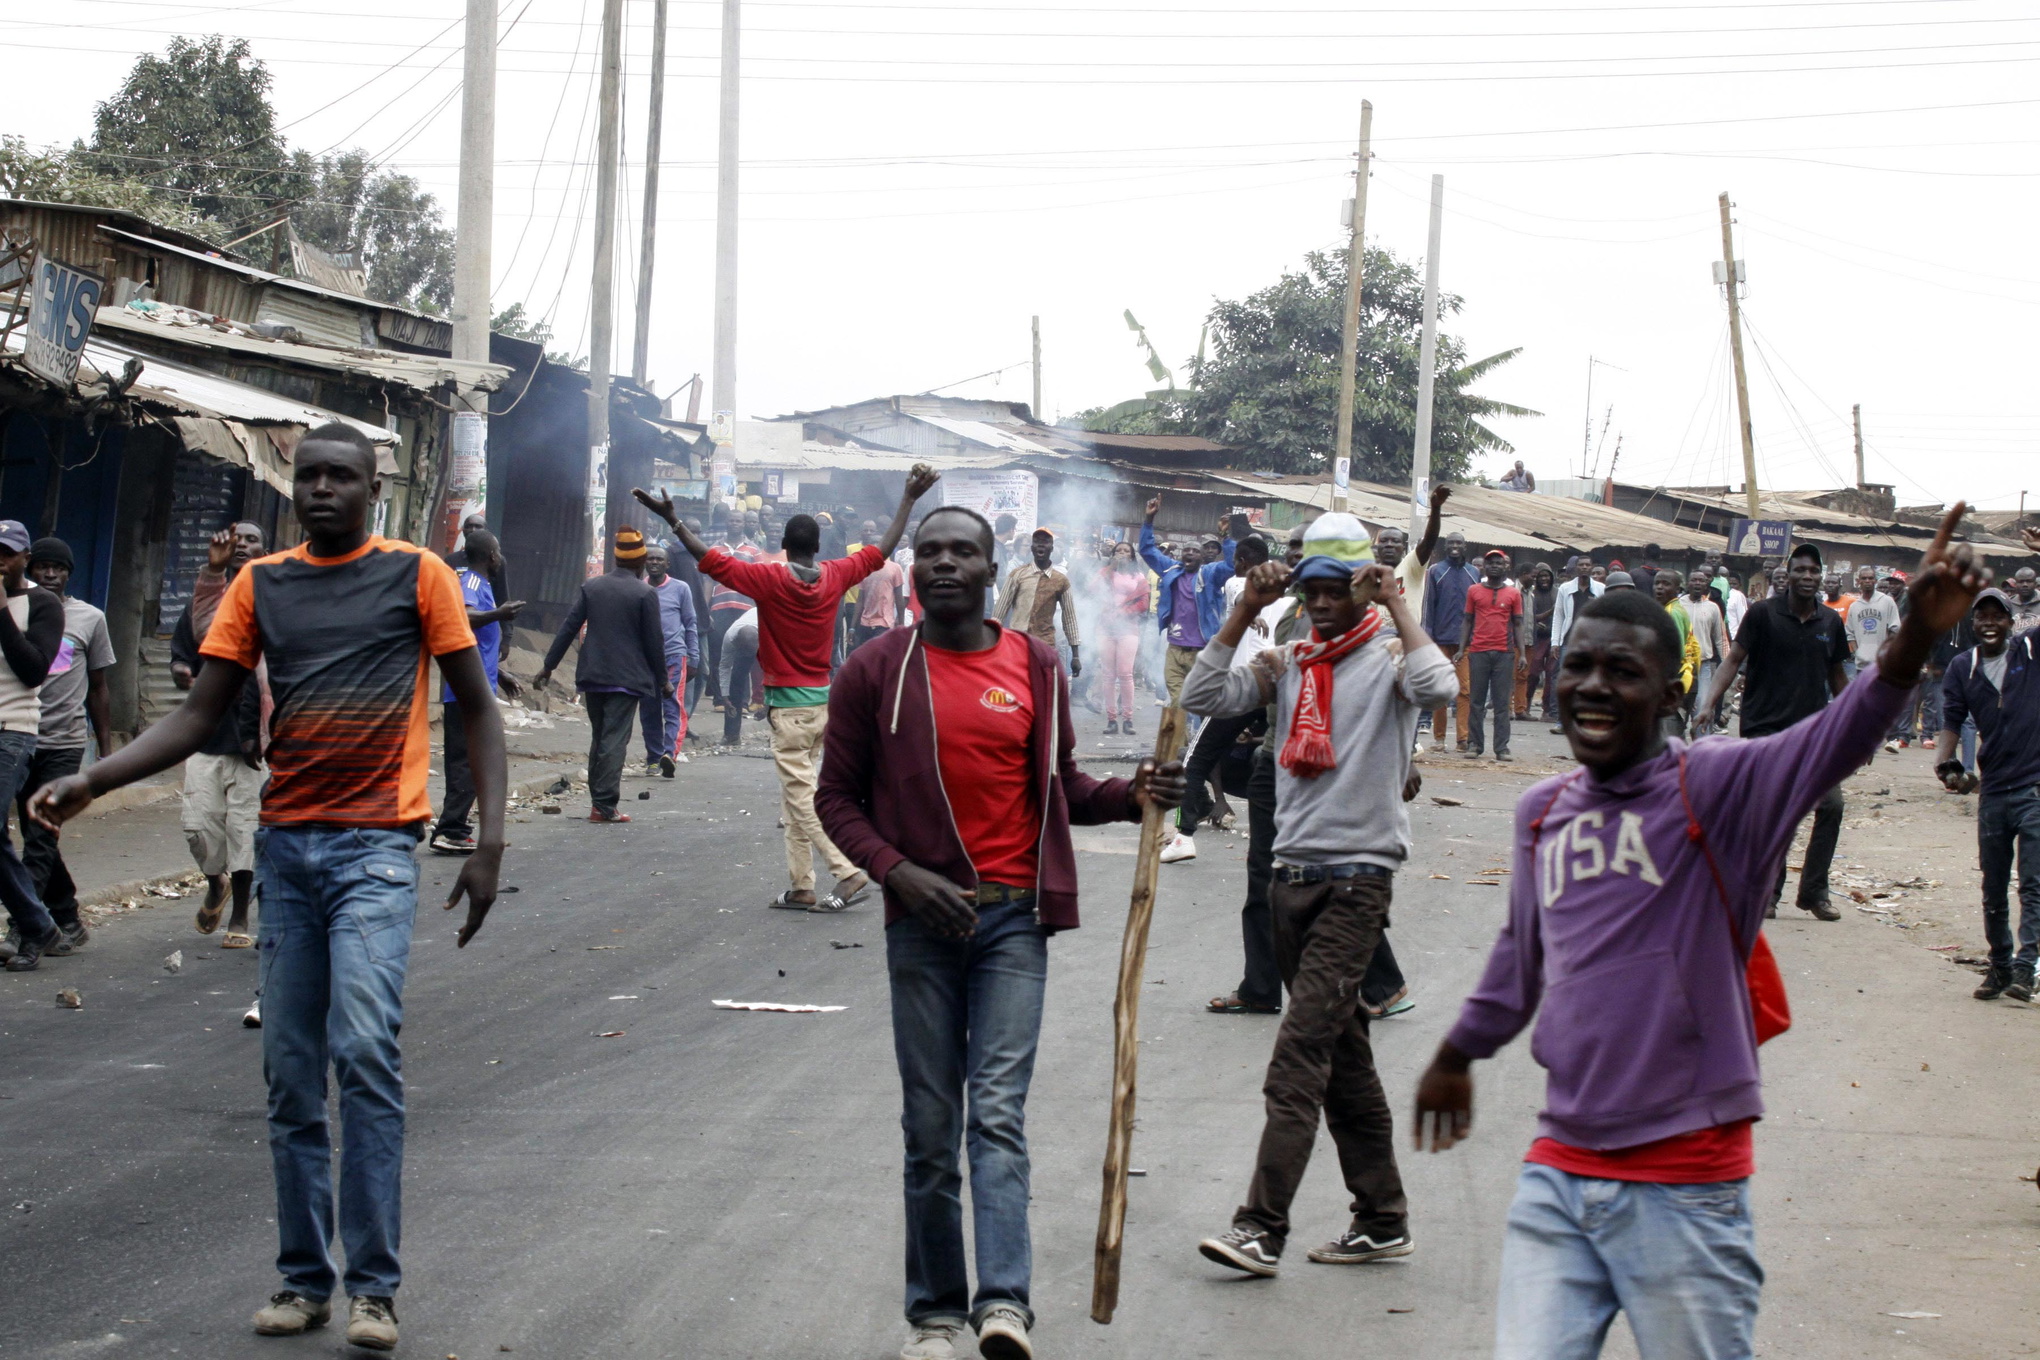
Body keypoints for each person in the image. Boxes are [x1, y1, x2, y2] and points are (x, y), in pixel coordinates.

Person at [1412, 508, 1986, 1360]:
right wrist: (1458, 1053)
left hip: (1686, 1185)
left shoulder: (1717, 788)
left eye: (1623, 671)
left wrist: (1910, 642)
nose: (1593, 686)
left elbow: (1839, 735)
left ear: (1671, 694)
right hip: (1559, 1172)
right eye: (1578, 667)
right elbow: (1520, 961)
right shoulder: (1543, 814)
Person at [31, 422, 507, 1350]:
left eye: (343, 477)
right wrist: (96, 776)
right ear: (293, 489)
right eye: (310, 476)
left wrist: (489, 842)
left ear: (374, 488)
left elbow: (477, 710)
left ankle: (374, 1288)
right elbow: (202, 713)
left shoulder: (418, 575)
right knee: (291, 1074)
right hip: (287, 852)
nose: (324, 488)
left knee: (364, 1049)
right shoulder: (261, 584)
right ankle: (304, 1283)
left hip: (375, 848)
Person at [814, 504, 1185, 1360]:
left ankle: (1005, 1306)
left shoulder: (1039, 666)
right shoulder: (875, 670)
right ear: (912, 571)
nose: (944, 564)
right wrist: (897, 872)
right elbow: (836, 799)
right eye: (930, 551)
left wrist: (1130, 796)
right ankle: (936, 1315)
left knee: (997, 1116)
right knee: (931, 1124)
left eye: (963, 552)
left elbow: (1060, 787)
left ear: (993, 569)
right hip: (920, 926)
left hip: (1014, 921)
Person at [1183, 516, 1457, 1278]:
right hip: (1291, 880)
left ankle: (1259, 1227)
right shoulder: (1291, 662)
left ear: (1363, 588)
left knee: (1298, 1056)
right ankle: (1381, 1218)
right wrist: (1243, 612)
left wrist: (1399, 602)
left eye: (1339, 590)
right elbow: (1205, 692)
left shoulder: (1392, 660)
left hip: (1357, 883)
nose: (1325, 604)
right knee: (1344, 1062)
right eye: (1313, 590)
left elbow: (1442, 686)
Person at [638, 467, 939, 911]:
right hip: (823, 706)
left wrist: (674, 521)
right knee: (794, 798)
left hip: (788, 710)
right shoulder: (836, 574)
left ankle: (848, 871)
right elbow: (882, 550)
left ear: (783, 545)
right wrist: (909, 499)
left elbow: (710, 560)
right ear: (818, 547)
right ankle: (801, 886)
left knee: (803, 799)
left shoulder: (769, 578)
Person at [1696, 542, 1850, 920]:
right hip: (1765, 730)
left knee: (1831, 806)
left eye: (1814, 571)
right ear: (1788, 575)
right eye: (1801, 570)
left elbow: (1838, 677)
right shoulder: (1763, 614)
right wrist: (1708, 702)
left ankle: (1813, 891)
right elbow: (1733, 660)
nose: (1808, 577)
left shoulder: (1830, 622)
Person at [166, 524, 268, 947]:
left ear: (265, 551)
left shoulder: (273, 603)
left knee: (244, 831)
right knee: (198, 827)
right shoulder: (207, 606)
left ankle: (241, 917)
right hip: (206, 736)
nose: (242, 545)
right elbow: (185, 650)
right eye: (237, 539)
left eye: (251, 541)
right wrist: (180, 671)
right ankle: (215, 883)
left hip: (254, 745)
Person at [1940, 589, 2040, 1002]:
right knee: (1993, 885)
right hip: (1994, 789)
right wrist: (1946, 766)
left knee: (2034, 884)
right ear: (1973, 623)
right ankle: (1999, 966)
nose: (1990, 622)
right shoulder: (1963, 667)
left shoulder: (2031, 652)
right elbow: (1951, 722)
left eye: (1998, 615)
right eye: (1982, 616)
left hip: (2035, 787)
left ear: (2010, 621)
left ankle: (2025, 968)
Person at [16, 536, 114, 950]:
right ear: (29, 569)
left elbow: (99, 687)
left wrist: (107, 750)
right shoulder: (18, 611)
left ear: (70, 573)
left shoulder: (90, 618)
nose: (51, 574)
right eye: (43, 567)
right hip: (19, 735)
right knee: (35, 833)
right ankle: (67, 917)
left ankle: (24, 930)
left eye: (59, 568)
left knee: (40, 836)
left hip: (65, 741)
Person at [535, 527, 670, 824]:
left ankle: (599, 802)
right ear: (641, 560)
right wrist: (663, 680)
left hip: (592, 675)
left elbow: (569, 627)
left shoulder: (592, 587)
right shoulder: (645, 593)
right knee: (614, 740)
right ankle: (605, 805)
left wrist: (548, 666)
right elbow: (654, 642)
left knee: (600, 737)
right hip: (627, 679)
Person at [1161, 534, 1273, 865]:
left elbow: (1241, 595)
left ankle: (1183, 836)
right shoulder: (1296, 593)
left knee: (1195, 758)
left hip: (1244, 686)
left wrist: (1249, 612)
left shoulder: (1240, 582)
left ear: (1241, 562)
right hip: (1279, 684)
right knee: (1278, 757)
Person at [0, 520, 68, 972]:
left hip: (12, 729)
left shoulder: (43, 604)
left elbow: (32, 670)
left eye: (7, 553)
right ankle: (39, 925)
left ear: (24, 559)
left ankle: (35, 925)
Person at [432, 529, 523, 855]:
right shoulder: (470, 581)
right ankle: (450, 830)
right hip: (463, 690)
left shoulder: (482, 585)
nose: (500, 557)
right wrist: (500, 613)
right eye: (497, 551)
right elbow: (463, 619)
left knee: (473, 760)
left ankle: (454, 827)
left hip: (478, 688)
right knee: (465, 762)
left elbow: (473, 643)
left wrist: (499, 674)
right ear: (491, 555)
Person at [1137, 496, 1241, 704]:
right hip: (1174, 649)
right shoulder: (1170, 569)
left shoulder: (1210, 574)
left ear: (1202, 557)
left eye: (1195, 551)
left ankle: (1196, 736)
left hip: (1201, 651)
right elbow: (1147, 550)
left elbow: (1232, 566)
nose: (1190, 553)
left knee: (1199, 704)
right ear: (1181, 555)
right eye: (1187, 550)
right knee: (1177, 704)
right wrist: (1149, 520)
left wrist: (1225, 537)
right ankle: (1182, 737)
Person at [639, 542, 700, 777]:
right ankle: (653, 759)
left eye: (659, 559)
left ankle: (669, 755)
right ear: (644, 562)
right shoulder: (639, 589)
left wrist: (694, 656)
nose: (654, 562)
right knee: (649, 710)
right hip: (644, 660)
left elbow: (690, 623)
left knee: (672, 705)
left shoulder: (680, 588)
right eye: (650, 558)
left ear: (667, 564)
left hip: (674, 656)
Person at [1462, 549, 1525, 761]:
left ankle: (1501, 748)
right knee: (1476, 702)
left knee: (1501, 703)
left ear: (1505, 566)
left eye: (1499, 563)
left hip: (1504, 653)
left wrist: (1522, 653)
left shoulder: (1513, 593)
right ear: (1485, 567)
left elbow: (1518, 623)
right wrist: (1462, 649)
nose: (1495, 566)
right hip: (1478, 651)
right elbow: (1467, 621)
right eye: (1490, 563)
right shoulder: (1473, 590)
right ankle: (1474, 745)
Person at [994, 528, 1081, 678]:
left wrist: (1075, 656)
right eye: (1037, 542)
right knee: (1018, 690)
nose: (1041, 545)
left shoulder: (1061, 580)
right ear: (1032, 548)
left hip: (1044, 646)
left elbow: (1070, 618)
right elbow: (999, 612)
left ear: (1051, 549)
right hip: (1018, 644)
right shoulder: (1017, 575)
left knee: (1042, 691)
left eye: (1045, 542)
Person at [1421, 531, 1480, 750]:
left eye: (1459, 543)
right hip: (1439, 641)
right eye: (1451, 543)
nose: (1455, 546)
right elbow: (1427, 607)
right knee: (1440, 691)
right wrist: (1427, 639)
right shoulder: (1435, 571)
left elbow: (1477, 610)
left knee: (1465, 690)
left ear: (1465, 547)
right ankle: (1439, 739)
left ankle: (1462, 739)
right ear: (1446, 547)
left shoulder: (1474, 573)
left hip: (1465, 643)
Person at [1097, 540, 1150, 736]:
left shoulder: (1139, 576)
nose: (1122, 553)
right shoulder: (1106, 573)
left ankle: (1128, 719)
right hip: (1105, 628)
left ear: (1132, 555)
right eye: (1118, 550)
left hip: (1128, 628)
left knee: (1125, 674)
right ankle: (1111, 720)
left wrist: (1123, 613)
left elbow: (1144, 603)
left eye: (1126, 551)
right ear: (1112, 554)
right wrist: (1111, 567)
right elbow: (1092, 589)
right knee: (1108, 675)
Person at [1549, 555, 1603, 734]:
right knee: (1567, 683)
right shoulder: (1565, 588)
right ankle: (1562, 721)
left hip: (1592, 644)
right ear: (1576, 568)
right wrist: (1555, 642)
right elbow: (1558, 615)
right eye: (1581, 565)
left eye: (1588, 565)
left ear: (1591, 567)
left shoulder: (1600, 590)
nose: (1585, 568)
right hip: (1569, 642)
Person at [1683, 567, 1730, 727]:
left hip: (1703, 666)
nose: (1697, 583)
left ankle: (1701, 747)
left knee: (1702, 709)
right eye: (1693, 580)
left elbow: (1721, 639)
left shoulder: (1713, 607)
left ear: (1706, 584)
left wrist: (1726, 664)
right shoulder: (1677, 606)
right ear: (1686, 584)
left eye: (1701, 580)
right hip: (1681, 666)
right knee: (1678, 710)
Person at [1845, 566, 1901, 679]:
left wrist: (1886, 653)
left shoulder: (1887, 602)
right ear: (1858, 581)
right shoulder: (1854, 606)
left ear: (1875, 581)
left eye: (1870, 578)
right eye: (1864, 578)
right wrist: (1858, 653)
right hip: (1861, 665)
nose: (1867, 581)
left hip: (1881, 664)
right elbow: (1850, 634)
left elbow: (1895, 629)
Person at [1520, 563, 1558, 720]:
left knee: (1551, 673)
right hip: (1535, 638)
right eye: (1541, 576)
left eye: (1547, 576)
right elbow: (1527, 616)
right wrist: (1538, 621)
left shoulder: (1557, 593)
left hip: (1553, 637)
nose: (1544, 579)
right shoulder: (1531, 593)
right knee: (1533, 672)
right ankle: (1526, 704)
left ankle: (1547, 709)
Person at [2010, 566, 2040, 637]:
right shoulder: (2008, 604)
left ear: (2035, 584)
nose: (2025, 585)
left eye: (2029, 581)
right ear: (2015, 584)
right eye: (2021, 582)